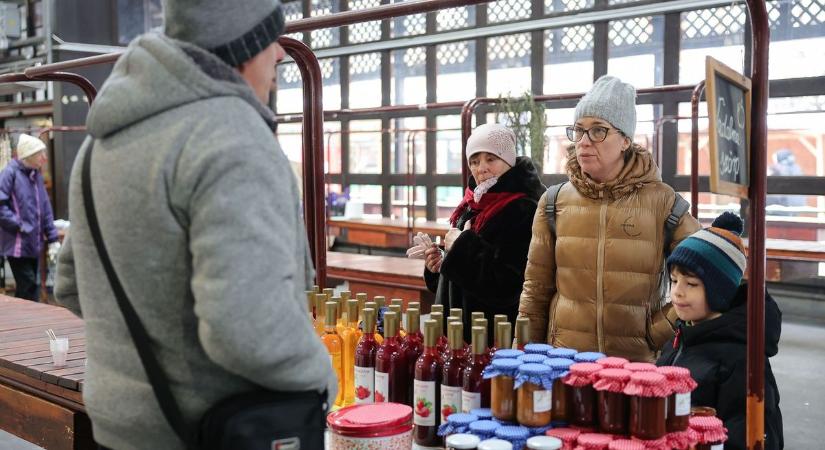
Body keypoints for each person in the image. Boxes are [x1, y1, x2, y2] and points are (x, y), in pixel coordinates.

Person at [54, 1, 335, 449]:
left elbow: (70, 284)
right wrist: (323, 380)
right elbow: (248, 332)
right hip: (211, 430)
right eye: (269, 39)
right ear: (243, 47)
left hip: (117, 426)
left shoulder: (101, 142)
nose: (280, 55)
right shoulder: (231, 137)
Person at [518, 75, 701, 362]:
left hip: (632, 366)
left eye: (598, 131)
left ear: (626, 140)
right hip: (564, 361)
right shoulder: (554, 202)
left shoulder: (663, 202)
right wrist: (526, 355)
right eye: (578, 131)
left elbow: (705, 272)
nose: (584, 142)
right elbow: (536, 291)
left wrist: (657, 331)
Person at [657, 212, 783, 450]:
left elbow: (756, 437)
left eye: (691, 284)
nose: (677, 292)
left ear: (720, 291)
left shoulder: (741, 360)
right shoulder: (681, 337)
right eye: (674, 281)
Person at [410, 123, 544, 341]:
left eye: (490, 159)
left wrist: (461, 246)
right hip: (456, 337)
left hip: (490, 340)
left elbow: (507, 286)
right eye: (474, 161)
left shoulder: (524, 209)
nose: (481, 168)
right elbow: (462, 279)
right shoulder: (474, 203)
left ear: (508, 160)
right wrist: (440, 265)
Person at [0, 134, 60, 301]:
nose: (45, 158)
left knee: (27, 287)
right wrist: (19, 225)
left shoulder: (35, 176)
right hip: (17, 244)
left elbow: (45, 208)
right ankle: (32, 325)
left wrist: (53, 238)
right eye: (40, 154)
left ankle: (22, 322)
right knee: (29, 286)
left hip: (33, 242)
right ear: (29, 155)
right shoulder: (9, 174)